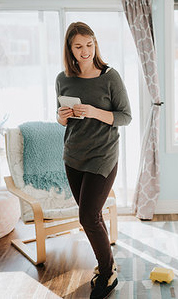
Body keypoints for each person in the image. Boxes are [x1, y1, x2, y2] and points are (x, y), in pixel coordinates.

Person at [56, 22, 132, 298]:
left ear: (95, 44)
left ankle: (107, 271)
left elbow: (125, 117)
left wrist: (95, 112)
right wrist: (62, 116)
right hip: (73, 155)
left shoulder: (110, 77)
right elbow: (62, 118)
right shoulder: (62, 78)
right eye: (79, 46)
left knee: (87, 216)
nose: (86, 51)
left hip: (103, 155)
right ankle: (105, 265)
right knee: (92, 216)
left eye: (89, 44)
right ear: (70, 50)